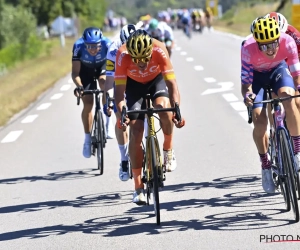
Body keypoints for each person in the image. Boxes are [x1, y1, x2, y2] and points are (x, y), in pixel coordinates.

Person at [114, 29, 185, 205]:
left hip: (156, 81)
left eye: (145, 59)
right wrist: (122, 113)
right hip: (134, 87)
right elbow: (119, 92)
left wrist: (177, 108)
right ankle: (138, 187)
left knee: (163, 108)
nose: (141, 64)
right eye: (136, 60)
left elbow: (172, 84)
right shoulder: (122, 55)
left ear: (150, 51)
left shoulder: (160, 49)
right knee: (136, 130)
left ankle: (168, 149)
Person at [242, 18, 300, 193]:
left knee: (289, 98)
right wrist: (248, 95)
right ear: (257, 43)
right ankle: (266, 165)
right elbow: (246, 82)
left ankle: (297, 152)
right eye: (264, 46)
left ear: (279, 38)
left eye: (273, 44)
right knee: (259, 120)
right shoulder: (247, 48)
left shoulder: (288, 41)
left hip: (278, 71)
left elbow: (296, 74)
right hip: (256, 77)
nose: (270, 49)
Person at [104, 23, 141, 181]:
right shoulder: (113, 50)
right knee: (121, 118)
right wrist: (109, 100)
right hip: (120, 80)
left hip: (138, 78)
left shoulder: (143, 44)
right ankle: (124, 160)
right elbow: (109, 81)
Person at [72, 27, 111, 158]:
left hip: (102, 67)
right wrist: (79, 86)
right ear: (84, 43)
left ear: (101, 43)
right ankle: (87, 140)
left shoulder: (107, 44)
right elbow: (75, 73)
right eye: (89, 46)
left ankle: (107, 121)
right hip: (85, 71)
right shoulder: (78, 46)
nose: (93, 49)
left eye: (96, 46)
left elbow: (114, 66)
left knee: (103, 83)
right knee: (88, 103)